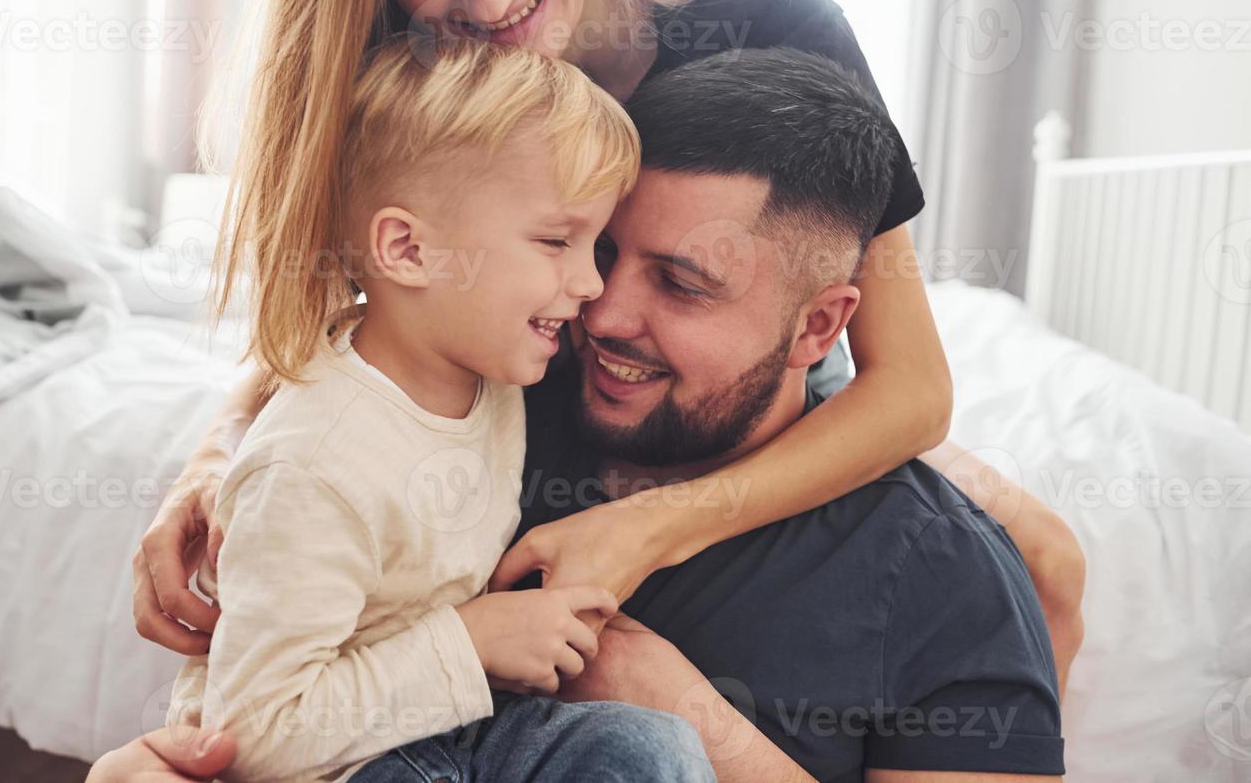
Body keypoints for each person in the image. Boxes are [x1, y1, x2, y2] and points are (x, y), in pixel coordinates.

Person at [133, 0, 1082, 701]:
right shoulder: (405, 63)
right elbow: (349, 316)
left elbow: (911, 385)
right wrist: (214, 456)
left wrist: (650, 531)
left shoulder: (762, 15)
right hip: (514, 395)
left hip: (729, 392)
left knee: (1044, 560)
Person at [98, 48, 1066, 782]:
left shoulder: (942, 578)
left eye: (681, 284)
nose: (598, 305)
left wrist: (698, 724)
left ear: (819, 325)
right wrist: (213, 454)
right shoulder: (494, 380)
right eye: (589, 246)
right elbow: (341, 361)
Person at [161, 36, 722, 782]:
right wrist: (470, 643)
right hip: (334, 765)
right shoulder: (314, 464)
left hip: (454, 728)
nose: (592, 286)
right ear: (407, 250)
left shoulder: (487, 362)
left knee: (654, 750)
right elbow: (253, 734)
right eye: (557, 240)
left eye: (596, 245)